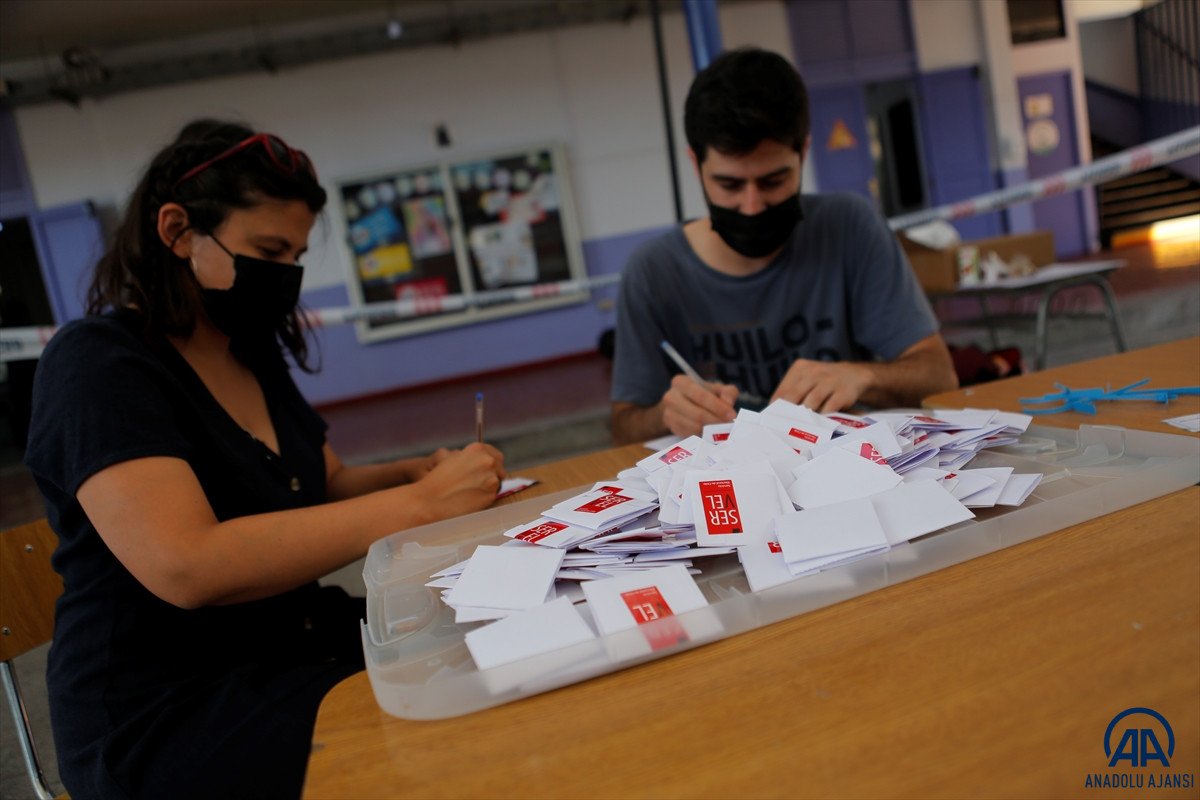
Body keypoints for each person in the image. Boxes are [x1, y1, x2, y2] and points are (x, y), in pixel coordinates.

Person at [23, 120, 506, 799]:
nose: (285, 276)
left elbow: (322, 483)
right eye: (268, 250)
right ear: (177, 230)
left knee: (504, 653)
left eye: (297, 254)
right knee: (448, 751)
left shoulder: (249, 348)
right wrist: (420, 504)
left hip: (292, 645)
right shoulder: (98, 366)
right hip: (167, 709)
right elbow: (187, 564)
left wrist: (412, 474)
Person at [610, 47, 957, 444]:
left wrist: (862, 376)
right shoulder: (652, 273)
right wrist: (664, 414)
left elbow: (939, 373)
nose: (752, 206)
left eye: (774, 181)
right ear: (695, 165)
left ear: (803, 153)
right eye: (729, 185)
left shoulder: (848, 226)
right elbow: (624, 426)